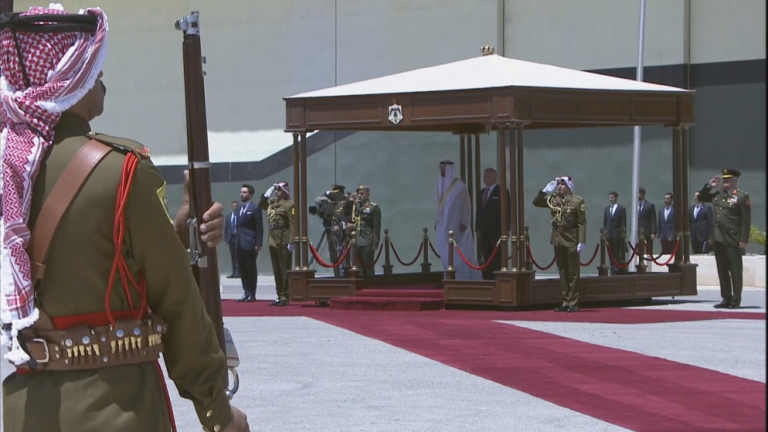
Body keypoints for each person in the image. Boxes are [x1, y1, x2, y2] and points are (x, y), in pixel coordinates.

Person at [0, 5, 248, 432]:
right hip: (115, 406)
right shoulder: (121, 170)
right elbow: (176, 301)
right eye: (94, 70)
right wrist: (216, 411)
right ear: (71, 78)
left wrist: (177, 233)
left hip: (26, 411)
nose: (101, 80)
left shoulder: (9, 170)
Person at [697, 168, 751, 309]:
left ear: (735, 181)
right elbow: (701, 197)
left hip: (733, 238)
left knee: (735, 270)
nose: (725, 181)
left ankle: (735, 300)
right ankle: (726, 298)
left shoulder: (741, 197)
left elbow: (745, 221)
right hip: (719, 237)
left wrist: (744, 239)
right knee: (722, 270)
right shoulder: (718, 195)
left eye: (728, 179)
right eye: (724, 179)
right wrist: (710, 186)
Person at [533, 176, 586, 312]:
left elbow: (581, 223)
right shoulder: (553, 199)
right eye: (559, 185)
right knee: (562, 272)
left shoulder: (577, 201)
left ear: (569, 187)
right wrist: (545, 191)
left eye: (563, 184)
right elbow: (536, 202)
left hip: (571, 239)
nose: (560, 187)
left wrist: (581, 241)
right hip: (558, 238)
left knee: (572, 273)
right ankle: (565, 301)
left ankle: (573, 303)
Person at [434, 160, 481, 280]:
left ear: (449, 168)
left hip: (457, 227)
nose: (441, 169)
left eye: (444, 167)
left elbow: (466, 205)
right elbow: (438, 206)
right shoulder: (438, 184)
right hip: (442, 226)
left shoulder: (460, 186)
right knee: (445, 254)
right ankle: (448, 277)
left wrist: (464, 221)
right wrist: (437, 221)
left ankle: (462, 278)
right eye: (441, 167)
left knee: (459, 253)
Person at [258, 182, 295, 306]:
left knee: (285, 269)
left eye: (278, 190)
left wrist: (291, 241)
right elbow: (261, 205)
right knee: (276, 269)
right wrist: (266, 195)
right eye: (275, 190)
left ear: (284, 191)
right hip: (273, 239)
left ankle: (285, 296)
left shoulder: (289, 204)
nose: (276, 192)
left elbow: (293, 224)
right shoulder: (272, 203)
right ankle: (279, 294)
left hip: (283, 239)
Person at [476, 168, 508, 280]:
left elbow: (507, 211)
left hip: (496, 231)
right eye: (484, 176)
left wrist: (506, 228)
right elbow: (479, 212)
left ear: (494, 178)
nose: (485, 178)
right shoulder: (481, 193)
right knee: (486, 256)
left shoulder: (502, 192)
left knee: (497, 257)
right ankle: (488, 279)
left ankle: (498, 279)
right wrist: (477, 228)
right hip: (484, 231)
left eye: (488, 176)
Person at [235, 184, 263, 302]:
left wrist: (258, 243)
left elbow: (259, 227)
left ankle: (252, 293)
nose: (242, 194)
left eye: (244, 192)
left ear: (250, 194)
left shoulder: (255, 208)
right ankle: (246, 292)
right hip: (239, 243)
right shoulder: (239, 208)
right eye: (241, 192)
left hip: (250, 242)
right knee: (243, 269)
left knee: (250, 268)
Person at [353, 185, 381, 276]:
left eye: (362, 193)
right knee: (359, 269)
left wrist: (375, 243)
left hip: (367, 240)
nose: (359, 195)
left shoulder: (373, 207)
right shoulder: (356, 206)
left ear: (368, 194)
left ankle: (371, 284)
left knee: (368, 268)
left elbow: (376, 227)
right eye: (358, 193)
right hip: (357, 240)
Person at [602, 191, 627, 275]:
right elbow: (605, 222)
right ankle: (612, 270)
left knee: (617, 253)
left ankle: (618, 269)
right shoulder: (607, 209)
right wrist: (605, 233)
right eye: (609, 197)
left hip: (617, 235)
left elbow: (623, 222)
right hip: (609, 234)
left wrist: (622, 233)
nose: (610, 199)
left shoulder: (621, 208)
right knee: (610, 253)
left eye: (612, 197)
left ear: (616, 198)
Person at [637, 187, 657, 253]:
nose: (638, 196)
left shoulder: (650, 205)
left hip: (647, 232)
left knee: (649, 250)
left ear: (643, 194)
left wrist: (653, 232)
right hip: (638, 232)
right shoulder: (635, 205)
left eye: (640, 194)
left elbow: (653, 219)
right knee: (639, 250)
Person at [225, 200, 240, 278]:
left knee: (238, 255)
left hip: (238, 238)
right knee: (233, 256)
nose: (234, 207)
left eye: (236, 206)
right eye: (233, 206)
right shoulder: (229, 216)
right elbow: (226, 228)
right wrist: (226, 238)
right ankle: (234, 272)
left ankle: (238, 272)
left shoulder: (240, 216)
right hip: (231, 238)